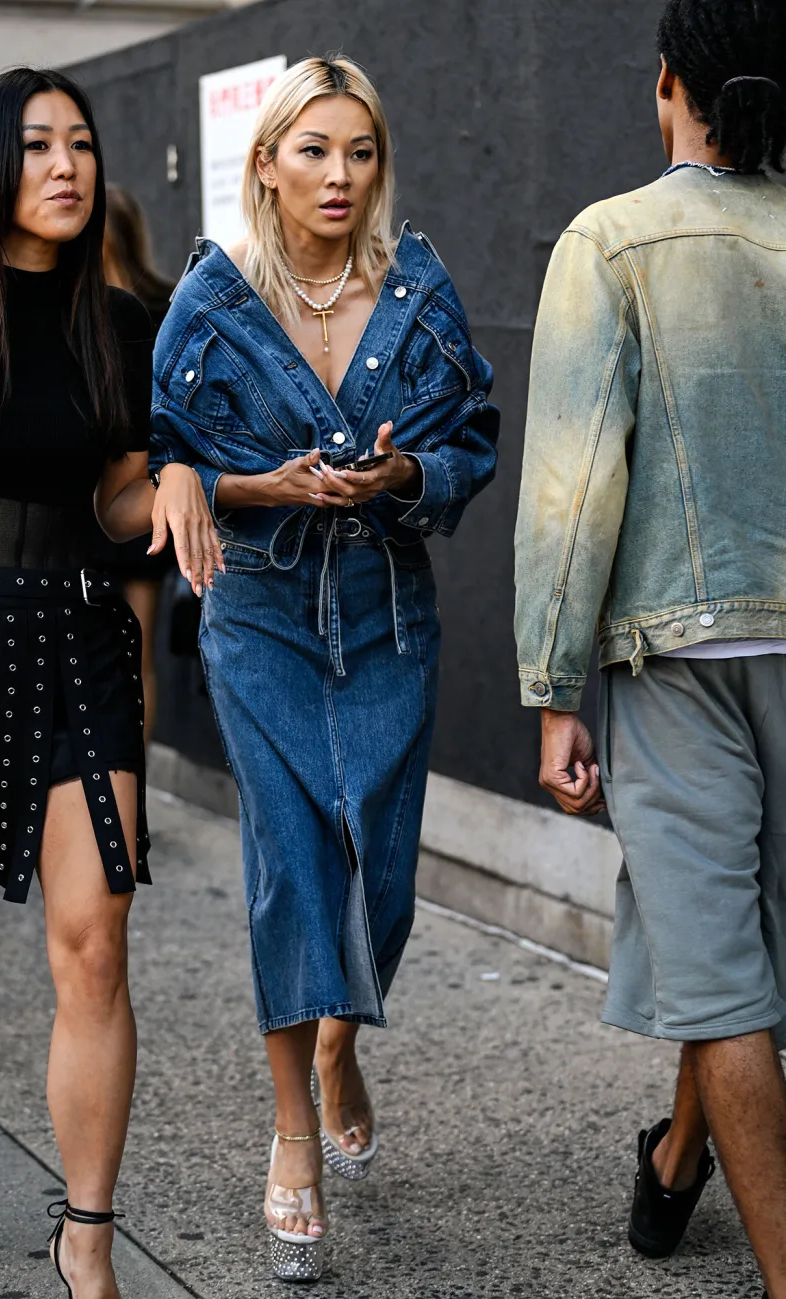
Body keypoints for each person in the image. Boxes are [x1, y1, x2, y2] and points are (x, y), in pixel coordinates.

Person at [151, 55, 499, 1282]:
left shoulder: (420, 287)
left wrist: (405, 478)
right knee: (292, 867)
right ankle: (291, 1130)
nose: (340, 175)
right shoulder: (211, 298)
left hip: (388, 610)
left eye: (358, 152)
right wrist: (248, 483)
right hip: (260, 618)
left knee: (385, 885)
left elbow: (473, 442)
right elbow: (166, 453)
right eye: (315, 151)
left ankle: (341, 1040)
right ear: (267, 162)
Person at [0, 67, 221, 1293]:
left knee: (96, 947)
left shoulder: (127, 324)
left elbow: (117, 499)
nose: (68, 166)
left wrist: (178, 477)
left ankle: (87, 1236)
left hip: (73, 641)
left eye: (81, 143)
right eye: (36, 147)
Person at [514, 1, 786, 1295]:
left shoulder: (611, 240)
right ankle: (677, 1158)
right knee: (743, 945)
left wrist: (553, 685)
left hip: (673, 659)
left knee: (726, 976)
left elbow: (576, 487)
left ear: (666, 81)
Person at [98, 184, 178, 742]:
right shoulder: (69, 309)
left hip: (146, 493)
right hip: (83, 497)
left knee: (135, 650)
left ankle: (133, 790)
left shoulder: (161, 306)